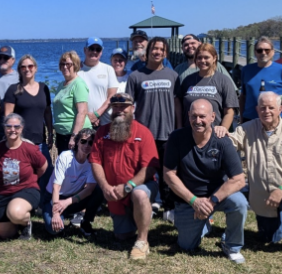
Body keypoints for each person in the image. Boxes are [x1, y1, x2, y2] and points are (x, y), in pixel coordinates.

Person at [224, 92, 282, 256]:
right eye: (263, 108)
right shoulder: (247, 129)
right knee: (269, 238)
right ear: (257, 109)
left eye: (271, 108)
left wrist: (281, 189)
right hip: (263, 195)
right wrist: (219, 132)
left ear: (280, 109)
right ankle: (279, 221)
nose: (266, 111)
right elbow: (228, 144)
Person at [163, 99, 247, 263]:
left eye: (202, 116)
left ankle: (232, 245)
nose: (198, 121)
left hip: (217, 196)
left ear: (212, 117)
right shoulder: (177, 138)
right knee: (187, 246)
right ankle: (204, 224)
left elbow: (238, 180)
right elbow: (168, 174)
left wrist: (211, 201)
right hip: (189, 200)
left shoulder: (222, 141)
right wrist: (194, 201)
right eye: (194, 116)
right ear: (188, 116)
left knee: (240, 203)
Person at [89, 93, 159, 260]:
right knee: (122, 236)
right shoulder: (102, 133)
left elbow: (150, 168)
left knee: (139, 194)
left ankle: (142, 241)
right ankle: (136, 219)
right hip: (115, 194)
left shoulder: (143, 133)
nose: (120, 110)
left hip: (138, 187)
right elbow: (95, 161)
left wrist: (128, 186)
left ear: (132, 109)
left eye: (124, 106)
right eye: (116, 107)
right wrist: (105, 187)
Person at [125, 36, 178, 215]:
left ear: (165, 53)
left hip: (168, 133)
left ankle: (168, 206)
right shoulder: (135, 76)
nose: (157, 52)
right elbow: (128, 107)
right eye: (154, 49)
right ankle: (142, 203)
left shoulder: (173, 76)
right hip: (144, 134)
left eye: (161, 49)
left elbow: (178, 105)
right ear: (148, 51)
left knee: (168, 172)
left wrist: (178, 129)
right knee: (143, 171)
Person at [3, 54, 54, 207]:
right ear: (19, 70)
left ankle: (42, 203)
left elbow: (47, 112)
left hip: (39, 140)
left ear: (35, 68)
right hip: (21, 142)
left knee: (47, 172)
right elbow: (8, 117)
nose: (27, 69)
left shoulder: (44, 88)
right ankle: (18, 204)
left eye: (30, 66)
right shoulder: (14, 90)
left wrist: (51, 132)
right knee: (19, 176)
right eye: (23, 67)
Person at [0, 114, 48, 240]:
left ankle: (26, 222)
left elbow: (43, 166)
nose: (13, 130)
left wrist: (33, 178)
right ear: (4, 128)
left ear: (21, 128)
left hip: (26, 190)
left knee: (15, 213)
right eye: (9, 126)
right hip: (3, 193)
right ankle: (16, 221)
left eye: (16, 127)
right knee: (4, 233)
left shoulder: (29, 148)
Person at [42, 128, 104, 236]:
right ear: (77, 142)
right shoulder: (65, 157)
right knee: (55, 230)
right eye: (83, 141)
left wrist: (67, 202)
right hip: (54, 197)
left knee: (98, 190)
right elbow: (56, 187)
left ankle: (86, 222)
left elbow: (89, 189)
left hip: (72, 199)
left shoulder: (92, 162)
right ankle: (56, 214)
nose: (86, 145)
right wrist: (55, 213)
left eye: (90, 143)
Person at [175, 43, 239, 132]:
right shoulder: (188, 80)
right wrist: (179, 127)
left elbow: (229, 111)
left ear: (214, 58)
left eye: (206, 57)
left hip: (213, 134)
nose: (202, 60)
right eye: (199, 57)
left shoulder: (224, 80)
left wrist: (223, 128)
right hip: (188, 133)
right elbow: (179, 105)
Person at [239, 36, 282, 123]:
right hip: (250, 119)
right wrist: (241, 117)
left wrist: (277, 98)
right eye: (260, 50)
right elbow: (243, 97)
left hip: (275, 119)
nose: (263, 53)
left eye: (267, 50)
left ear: (273, 52)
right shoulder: (246, 70)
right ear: (255, 53)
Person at [52, 50, 92, 153]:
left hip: (75, 134)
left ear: (76, 65)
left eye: (68, 64)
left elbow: (82, 112)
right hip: (62, 134)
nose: (65, 67)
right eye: (62, 64)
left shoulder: (78, 84)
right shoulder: (62, 85)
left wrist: (74, 136)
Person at [78, 37, 118, 127]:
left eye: (98, 49)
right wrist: (87, 115)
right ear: (85, 50)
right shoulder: (77, 70)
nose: (94, 52)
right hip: (83, 121)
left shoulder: (108, 69)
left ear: (101, 52)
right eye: (91, 48)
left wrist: (97, 114)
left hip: (105, 122)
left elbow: (112, 96)